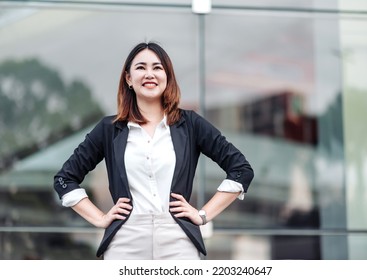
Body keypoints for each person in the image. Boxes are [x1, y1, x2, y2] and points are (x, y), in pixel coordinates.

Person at [53, 41, 254, 260]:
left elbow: (241, 170)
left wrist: (203, 215)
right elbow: (65, 179)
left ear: (167, 77)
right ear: (128, 78)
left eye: (157, 68)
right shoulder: (109, 129)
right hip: (125, 243)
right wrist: (100, 218)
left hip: (178, 243)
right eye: (141, 67)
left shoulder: (191, 124)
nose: (150, 74)